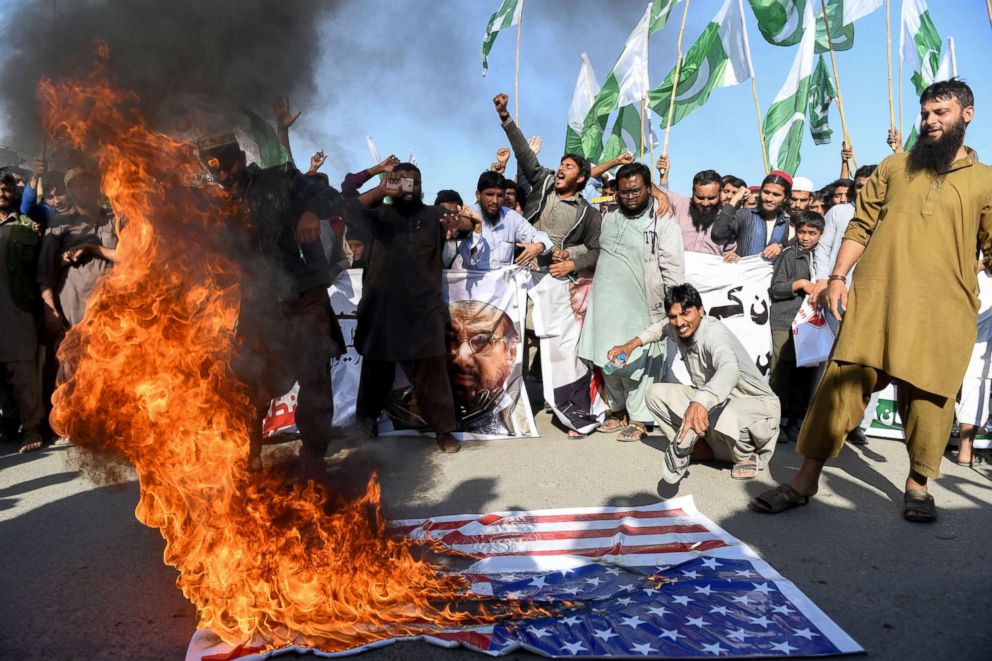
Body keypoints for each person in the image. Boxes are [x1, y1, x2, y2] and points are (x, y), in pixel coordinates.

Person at [751, 80, 992, 522]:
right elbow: (860, 225)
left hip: (945, 311)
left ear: (967, 115)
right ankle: (805, 479)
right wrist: (837, 276)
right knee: (840, 385)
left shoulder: (986, 180)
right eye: (925, 113)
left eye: (941, 112)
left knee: (930, 399)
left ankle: (918, 485)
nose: (930, 121)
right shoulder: (895, 166)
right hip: (877, 299)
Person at [197, 133, 345, 478]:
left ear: (239, 159)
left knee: (314, 378)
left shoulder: (281, 177)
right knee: (250, 383)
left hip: (304, 294)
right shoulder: (213, 206)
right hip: (257, 303)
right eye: (215, 170)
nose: (224, 176)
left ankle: (313, 457)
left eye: (229, 166)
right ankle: (246, 458)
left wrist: (310, 211)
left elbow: (331, 197)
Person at [353, 164, 475, 453]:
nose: (409, 187)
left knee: (432, 375)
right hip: (381, 309)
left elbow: (468, 223)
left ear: (422, 186)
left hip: (422, 310)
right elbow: (350, 210)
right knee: (374, 373)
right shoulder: (378, 216)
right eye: (402, 181)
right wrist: (381, 189)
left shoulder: (434, 216)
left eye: (415, 182)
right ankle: (364, 426)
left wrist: (459, 225)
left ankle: (444, 430)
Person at [609, 283, 779, 482]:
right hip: (715, 405)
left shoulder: (714, 334)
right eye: (673, 316)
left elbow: (729, 369)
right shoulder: (678, 327)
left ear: (701, 310)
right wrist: (629, 347)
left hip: (757, 408)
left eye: (685, 314)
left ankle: (746, 455)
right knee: (654, 394)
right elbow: (657, 330)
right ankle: (698, 448)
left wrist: (700, 401)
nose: (679, 322)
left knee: (726, 411)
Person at [577, 162, 684, 442]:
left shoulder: (663, 220)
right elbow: (581, 188)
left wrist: (675, 304)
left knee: (640, 361)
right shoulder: (607, 216)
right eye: (623, 192)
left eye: (636, 191)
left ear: (649, 189)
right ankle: (617, 410)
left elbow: (673, 268)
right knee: (607, 355)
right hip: (606, 303)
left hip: (643, 304)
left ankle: (639, 418)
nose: (630, 197)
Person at [494, 93, 601, 279]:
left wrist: (573, 263)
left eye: (568, 167)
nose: (561, 169)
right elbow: (524, 153)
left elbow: (596, 251)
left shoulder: (588, 214)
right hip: (518, 271)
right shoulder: (544, 183)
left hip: (554, 282)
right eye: (561, 164)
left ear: (581, 178)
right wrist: (505, 116)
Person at [36, 168, 118, 337]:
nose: (84, 189)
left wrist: (91, 248)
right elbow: (45, 272)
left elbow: (132, 258)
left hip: (111, 309)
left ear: (97, 188)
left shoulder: (113, 220)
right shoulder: (58, 224)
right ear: (70, 192)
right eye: (78, 186)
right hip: (73, 311)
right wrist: (49, 311)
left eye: (88, 184)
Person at [768, 211, 824, 443]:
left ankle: (796, 422)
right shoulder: (789, 255)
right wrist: (800, 284)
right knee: (782, 374)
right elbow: (776, 289)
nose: (806, 237)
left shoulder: (822, 259)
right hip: (785, 321)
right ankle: (776, 424)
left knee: (805, 374)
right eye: (802, 232)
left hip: (811, 323)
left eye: (812, 233)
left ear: (821, 235)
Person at [0, 172, 43, 453]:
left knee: (22, 368)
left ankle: (31, 428)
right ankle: (8, 423)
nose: (2, 193)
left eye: (5, 189)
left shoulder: (28, 226)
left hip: (16, 306)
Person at [445, 300, 521, 436]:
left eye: (481, 340)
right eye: (450, 339)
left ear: (511, 351)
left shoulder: (519, 415)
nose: (462, 357)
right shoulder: (406, 408)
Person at [454, 171, 551, 270]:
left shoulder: (511, 217)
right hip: (474, 281)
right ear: (478, 195)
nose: (495, 201)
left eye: (500, 196)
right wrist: (477, 229)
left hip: (502, 282)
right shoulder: (467, 216)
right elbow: (470, 260)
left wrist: (539, 246)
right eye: (489, 194)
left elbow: (539, 236)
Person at [652, 160, 734, 257]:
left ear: (720, 193)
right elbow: (645, 184)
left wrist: (732, 256)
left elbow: (731, 253)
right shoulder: (680, 203)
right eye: (700, 198)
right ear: (692, 191)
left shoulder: (727, 220)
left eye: (711, 198)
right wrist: (661, 195)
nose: (705, 203)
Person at [712, 172, 792, 260]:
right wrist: (736, 198)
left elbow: (787, 250)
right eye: (766, 192)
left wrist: (780, 248)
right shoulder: (745, 214)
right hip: (743, 271)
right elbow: (718, 235)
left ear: (786, 198)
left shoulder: (784, 222)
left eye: (776, 195)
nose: (769, 198)